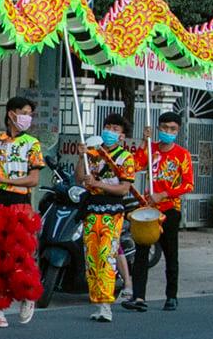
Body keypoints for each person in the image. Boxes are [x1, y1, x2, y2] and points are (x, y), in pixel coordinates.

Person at [0, 94, 43, 329]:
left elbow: (34, 179)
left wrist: (3, 178)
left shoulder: (32, 144)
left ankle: (27, 296)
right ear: (12, 113)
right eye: (24, 112)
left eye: (29, 114)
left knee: (18, 257)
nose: (27, 118)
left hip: (19, 206)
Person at [128, 111, 192, 312]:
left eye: (172, 129)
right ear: (158, 128)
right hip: (148, 208)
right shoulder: (150, 149)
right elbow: (134, 166)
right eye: (164, 128)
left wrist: (165, 194)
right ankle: (138, 296)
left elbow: (188, 185)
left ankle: (171, 296)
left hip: (170, 209)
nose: (168, 132)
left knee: (171, 253)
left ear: (178, 130)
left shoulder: (182, 154)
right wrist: (142, 142)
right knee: (142, 252)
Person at [78, 113, 138, 323]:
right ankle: (96, 301)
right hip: (92, 211)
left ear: (122, 136)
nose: (110, 132)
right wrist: (81, 156)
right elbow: (80, 178)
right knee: (91, 257)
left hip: (112, 212)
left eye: (115, 129)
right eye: (108, 127)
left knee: (106, 256)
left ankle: (106, 304)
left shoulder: (125, 158)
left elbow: (123, 188)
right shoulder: (93, 154)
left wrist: (99, 184)